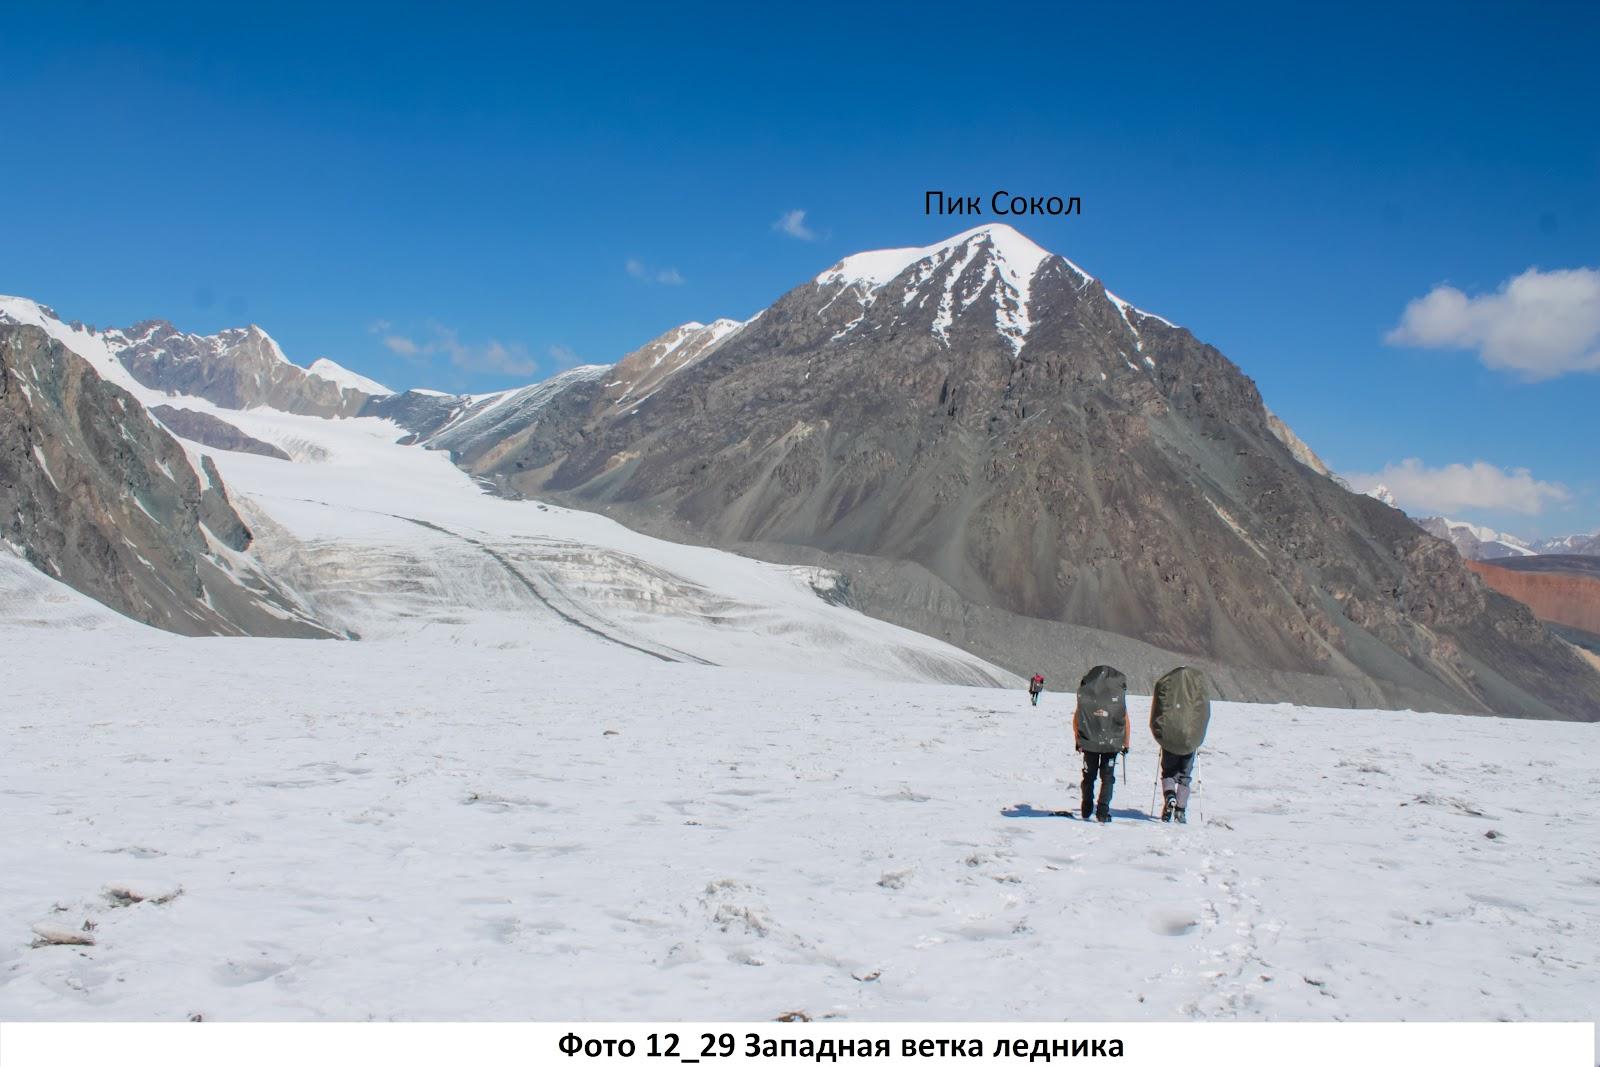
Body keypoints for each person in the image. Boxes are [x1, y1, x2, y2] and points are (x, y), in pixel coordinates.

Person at [1149, 666, 1211, 826]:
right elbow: (1204, 714)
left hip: (1170, 736)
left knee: (1168, 772)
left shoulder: (1168, 685)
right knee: (1185, 776)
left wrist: (1160, 732)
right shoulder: (1198, 687)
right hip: (1190, 739)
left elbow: (1158, 710)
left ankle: (1170, 796)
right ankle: (1180, 811)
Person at [1073, 665, 1130, 823]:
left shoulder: (1088, 698)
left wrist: (1078, 739)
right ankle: (1103, 811)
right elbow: (1125, 720)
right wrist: (1125, 743)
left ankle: (1086, 808)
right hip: (1111, 744)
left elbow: (1077, 718)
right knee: (1107, 777)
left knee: (1088, 776)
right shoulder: (1116, 699)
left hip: (1089, 741)